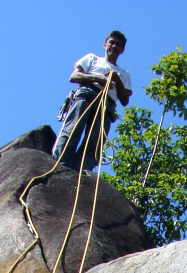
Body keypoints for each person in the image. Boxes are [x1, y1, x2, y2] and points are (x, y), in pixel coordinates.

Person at [51, 31, 133, 173]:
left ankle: (80, 172)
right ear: (105, 44)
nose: (114, 46)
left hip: (107, 104)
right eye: (111, 42)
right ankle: (58, 163)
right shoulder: (92, 59)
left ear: (122, 50)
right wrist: (97, 78)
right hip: (87, 94)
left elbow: (125, 99)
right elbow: (74, 76)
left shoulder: (124, 73)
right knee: (72, 129)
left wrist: (116, 79)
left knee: (94, 143)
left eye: (118, 45)